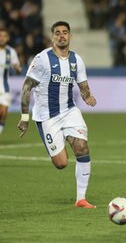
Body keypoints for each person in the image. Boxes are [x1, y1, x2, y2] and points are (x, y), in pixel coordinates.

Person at [17, 21, 97, 208]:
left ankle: (81, 199)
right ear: (52, 37)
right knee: (61, 163)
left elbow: (83, 87)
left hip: (69, 111)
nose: (62, 36)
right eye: (58, 33)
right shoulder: (42, 59)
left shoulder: (77, 60)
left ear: (70, 36)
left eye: (65, 33)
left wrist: (88, 97)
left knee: (82, 148)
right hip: (47, 116)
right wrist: (24, 117)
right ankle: (58, 141)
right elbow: (27, 86)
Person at [0, 28, 22, 135]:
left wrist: (17, 68)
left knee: (3, 113)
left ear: (7, 38)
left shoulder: (11, 52)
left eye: (4, 36)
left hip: (5, 86)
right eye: (0, 36)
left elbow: (17, 68)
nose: (2, 38)